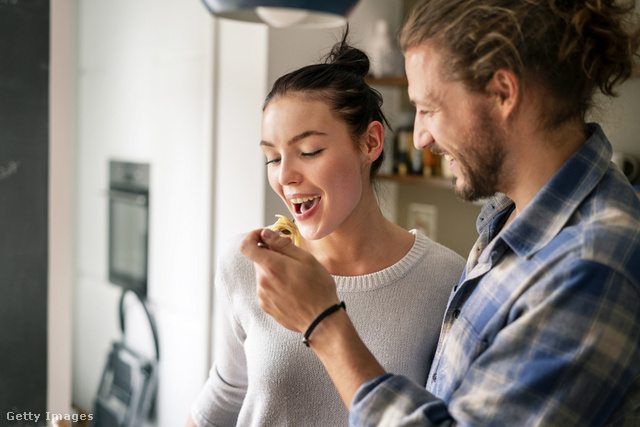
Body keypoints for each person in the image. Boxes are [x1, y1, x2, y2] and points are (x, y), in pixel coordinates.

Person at [240, 0, 640, 425]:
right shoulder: (509, 221)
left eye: (429, 109)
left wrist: (323, 323)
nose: (420, 138)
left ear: (503, 92)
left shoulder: (591, 261)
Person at [186, 32, 465, 427]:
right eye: (272, 157)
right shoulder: (247, 263)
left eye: (309, 152)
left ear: (370, 142)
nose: (285, 176)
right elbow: (227, 393)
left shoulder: (446, 279)